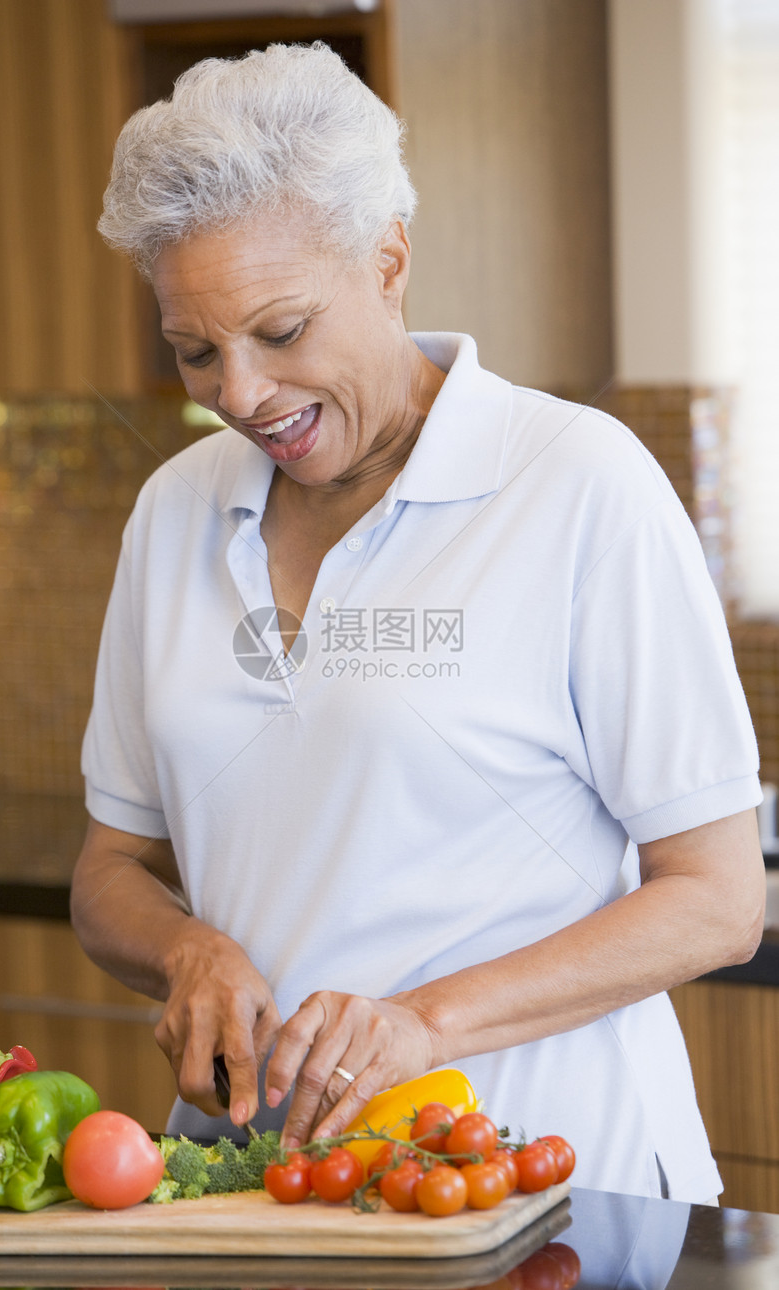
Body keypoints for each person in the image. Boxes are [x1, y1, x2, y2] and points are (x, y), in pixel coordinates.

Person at [71, 41, 765, 1202]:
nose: (238, 394)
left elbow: (716, 896)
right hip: (266, 1183)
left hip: (543, 1176)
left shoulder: (574, 482)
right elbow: (111, 868)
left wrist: (425, 1023)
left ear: (388, 259)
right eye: (195, 350)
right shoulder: (173, 512)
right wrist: (184, 948)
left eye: (281, 332)